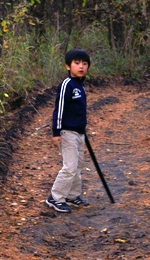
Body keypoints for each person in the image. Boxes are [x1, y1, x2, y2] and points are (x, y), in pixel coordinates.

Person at [45, 48, 91, 213]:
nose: (81, 67)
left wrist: (82, 129)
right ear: (67, 66)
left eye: (84, 64)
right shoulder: (67, 85)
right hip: (67, 132)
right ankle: (55, 198)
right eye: (77, 63)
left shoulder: (81, 85)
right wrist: (56, 132)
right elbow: (59, 110)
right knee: (70, 167)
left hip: (79, 133)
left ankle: (72, 195)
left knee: (78, 166)